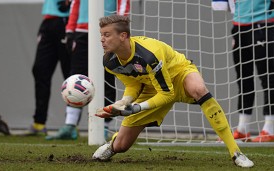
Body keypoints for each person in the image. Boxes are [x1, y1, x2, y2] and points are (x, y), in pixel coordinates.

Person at [92, 15, 254, 168]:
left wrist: (136, 108)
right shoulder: (109, 61)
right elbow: (133, 85)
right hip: (152, 88)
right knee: (122, 146)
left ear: (123, 36)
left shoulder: (148, 55)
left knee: (199, 89)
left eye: (107, 35)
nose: (102, 39)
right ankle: (112, 145)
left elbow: (167, 94)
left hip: (179, 74)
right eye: (101, 35)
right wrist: (122, 103)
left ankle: (236, 152)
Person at [45, 0, 130, 140]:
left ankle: (104, 126)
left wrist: (119, 29)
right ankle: (70, 125)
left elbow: (123, 4)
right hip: (82, 32)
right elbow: (75, 4)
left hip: (108, 32)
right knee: (75, 76)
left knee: (107, 78)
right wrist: (70, 30)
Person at [230, 0, 274, 142]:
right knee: (243, 78)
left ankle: (270, 127)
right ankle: (243, 128)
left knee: (268, 76)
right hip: (239, 25)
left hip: (264, 22)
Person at [27, 0, 71, 136]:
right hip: (48, 21)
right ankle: (39, 123)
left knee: (70, 76)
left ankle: (71, 124)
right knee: (40, 70)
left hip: (67, 21)